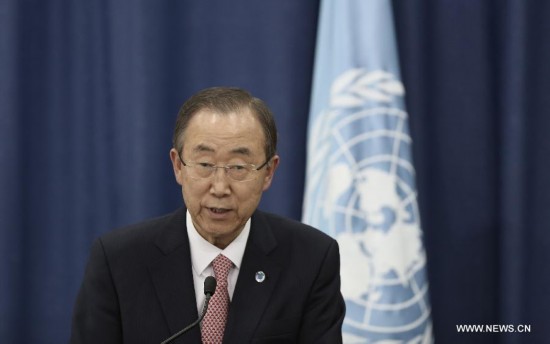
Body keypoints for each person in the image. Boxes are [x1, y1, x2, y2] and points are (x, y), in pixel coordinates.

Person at [70, 87, 345, 343]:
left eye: (238, 167)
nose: (220, 187)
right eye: (204, 164)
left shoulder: (311, 259)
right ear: (178, 166)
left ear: (268, 172)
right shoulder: (119, 261)